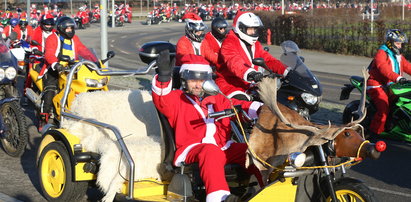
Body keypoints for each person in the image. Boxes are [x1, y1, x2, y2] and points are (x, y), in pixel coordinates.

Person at [152, 52, 263, 202]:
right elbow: (162, 100)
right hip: (192, 148)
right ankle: (219, 198)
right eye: (193, 80)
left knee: (254, 150)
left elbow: (239, 106)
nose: (198, 85)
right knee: (211, 151)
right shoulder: (177, 99)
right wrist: (164, 77)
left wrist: (261, 110)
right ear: (184, 80)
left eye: (202, 80)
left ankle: (267, 190)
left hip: (224, 147)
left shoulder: (217, 98)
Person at [215, 11, 288, 101]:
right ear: (240, 28)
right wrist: (250, 73)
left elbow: (268, 60)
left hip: (250, 85)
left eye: (255, 29)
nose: (253, 32)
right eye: (250, 29)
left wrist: (286, 70)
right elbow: (234, 61)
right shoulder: (229, 42)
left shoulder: (255, 44)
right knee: (245, 105)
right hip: (230, 85)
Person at [42, 16, 97, 129]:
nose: (70, 31)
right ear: (61, 29)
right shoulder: (53, 38)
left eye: (72, 28)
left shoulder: (74, 39)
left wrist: (95, 62)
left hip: (72, 67)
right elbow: (49, 54)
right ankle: (44, 118)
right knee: (50, 91)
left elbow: (84, 50)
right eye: (68, 29)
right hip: (54, 69)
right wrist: (56, 64)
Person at [367, 29, 411, 136]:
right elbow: (383, 68)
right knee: (383, 108)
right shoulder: (381, 53)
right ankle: (374, 133)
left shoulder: (398, 55)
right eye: (397, 43)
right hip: (377, 85)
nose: (400, 46)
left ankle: (393, 124)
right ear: (390, 42)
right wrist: (398, 78)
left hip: (392, 85)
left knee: (400, 104)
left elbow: (407, 66)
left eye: (401, 43)